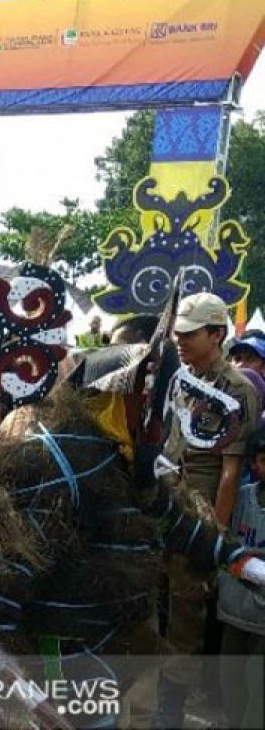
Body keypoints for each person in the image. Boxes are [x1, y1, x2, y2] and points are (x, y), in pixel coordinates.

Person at [157, 292, 261, 727]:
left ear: (217, 334)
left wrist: (214, 535)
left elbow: (229, 472)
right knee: (157, 598)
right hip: (164, 494)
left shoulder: (236, 388)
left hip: (199, 505)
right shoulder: (178, 377)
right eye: (177, 333)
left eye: (190, 333)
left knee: (185, 605)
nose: (180, 340)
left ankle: (173, 706)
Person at [217, 425, 265, 730]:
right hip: (234, 611)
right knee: (230, 681)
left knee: (257, 690)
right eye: (264, 459)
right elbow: (225, 546)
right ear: (253, 463)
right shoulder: (241, 497)